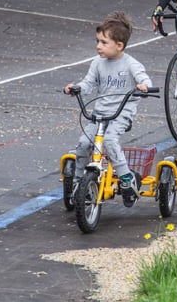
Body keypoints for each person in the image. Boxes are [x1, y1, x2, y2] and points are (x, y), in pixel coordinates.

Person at [63, 12, 152, 208]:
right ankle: (78, 181)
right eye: (97, 41)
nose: (98, 46)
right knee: (84, 143)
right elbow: (88, 84)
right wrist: (76, 88)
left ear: (119, 45)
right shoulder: (97, 63)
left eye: (104, 42)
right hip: (100, 114)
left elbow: (144, 78)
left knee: (110, 141)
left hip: (121, 114)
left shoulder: (130, 64)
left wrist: (144, 86)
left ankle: (126, 179)